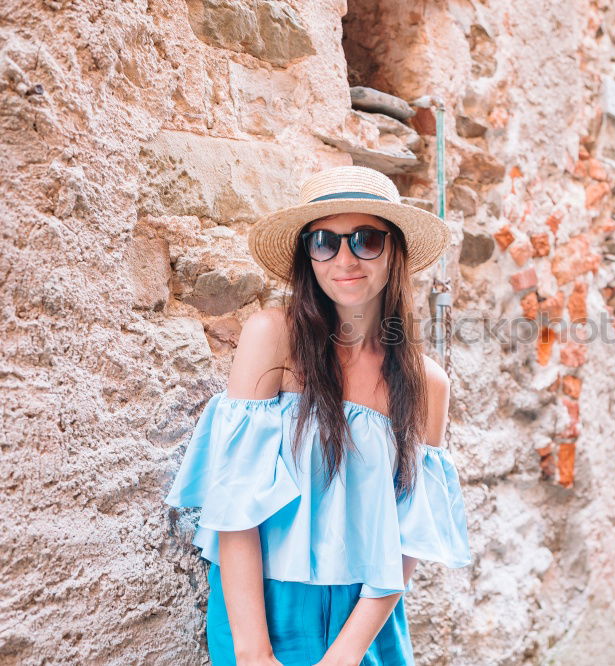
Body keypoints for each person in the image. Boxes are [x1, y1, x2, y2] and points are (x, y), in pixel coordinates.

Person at [164, 165, 472, 666]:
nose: (344, 258)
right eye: (325, 241)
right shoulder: (272, 337)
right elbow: (235, 508)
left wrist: (346, 655)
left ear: (394, 250)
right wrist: (253, 653)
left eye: (366, 239)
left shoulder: (426, 383)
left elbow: (406, 540)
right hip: (265, 614)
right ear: (308, 254)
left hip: (369, 623)